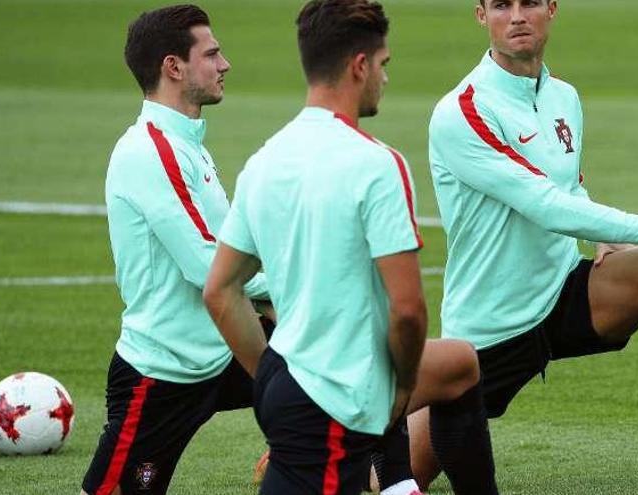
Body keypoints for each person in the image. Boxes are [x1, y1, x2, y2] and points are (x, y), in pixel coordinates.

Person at [405, 0, 638, 491]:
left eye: (529, 3)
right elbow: (542, 204)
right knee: (385, 475)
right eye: (502, 5)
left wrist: (605, 237)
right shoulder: (463, 110)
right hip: (490, 326)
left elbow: (568, 192)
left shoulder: (564, 97)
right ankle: (310, 448)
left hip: (563, 293)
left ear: (552, 8)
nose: (517, 15)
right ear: (481, 15)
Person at [203, 1, 500, 494]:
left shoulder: (265, 160)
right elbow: (407, 311)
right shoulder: (377, 165)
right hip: (334, 400)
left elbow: (219, 291)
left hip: (286, 383)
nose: (385, 78)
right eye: (383, 65)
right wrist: (403, 386)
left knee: (461, 363)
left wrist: (271, 372)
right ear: (360, 66)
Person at [80, 5, 273, 494]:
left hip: (222, 351)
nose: (224, 64)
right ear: (173, 67)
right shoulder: (152, 151)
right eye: (211, 54)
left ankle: (386, 477)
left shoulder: (188, 145)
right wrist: (296, 279)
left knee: (350, 361)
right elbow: (211, 266)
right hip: (163, 372)